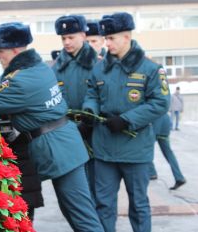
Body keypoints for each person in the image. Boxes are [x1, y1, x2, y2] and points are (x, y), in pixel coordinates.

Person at [0, 22, 104, 232]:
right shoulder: (36, 68)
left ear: (14, 50)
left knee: (82, 217)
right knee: (75, 212)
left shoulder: (22, 80)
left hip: (60, 150)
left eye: (0, 51)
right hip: (64, 146)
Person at [82, 12, 170, 232]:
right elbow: (92, 93)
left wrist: (126, 120)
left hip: (136, 149)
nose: (107, 43)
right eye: (106, 38)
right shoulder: (100, 68)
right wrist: (89, 110)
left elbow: (160, 103)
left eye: (111, 38)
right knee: (103, 205)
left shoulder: (150, 69)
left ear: (126, 37)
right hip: (104, 149)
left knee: (139, 205)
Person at [52, 15, 98, 198]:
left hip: (93, 132)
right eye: (63, 38)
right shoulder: (55, 68)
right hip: (67, 132)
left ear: (83, 35)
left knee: (96, 186)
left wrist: (90, 119)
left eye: (71, 37)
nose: (66, 42)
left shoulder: (98, 64)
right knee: (76, 189)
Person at [149, 113, 186, 190]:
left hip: (155, 122)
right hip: (165, 123)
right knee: (169, 153)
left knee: (146, 149)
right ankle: (179, 177)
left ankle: (152, 173)